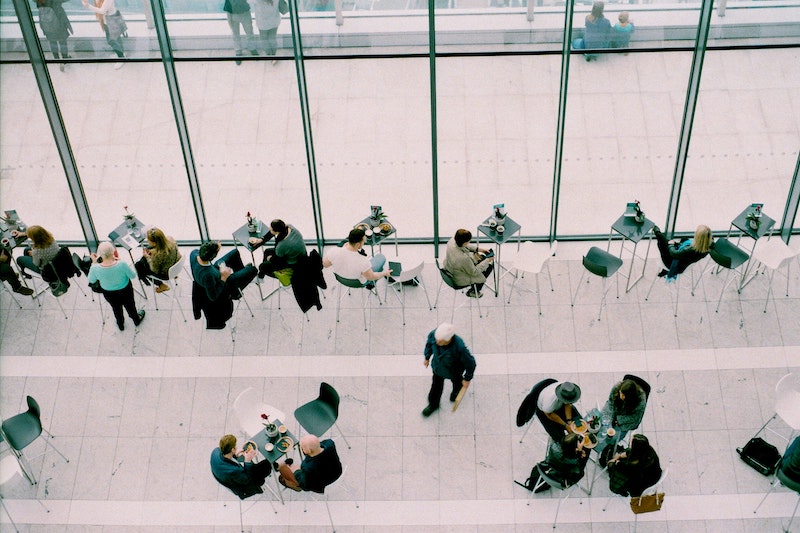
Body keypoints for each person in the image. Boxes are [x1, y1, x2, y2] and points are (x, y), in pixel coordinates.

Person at [421, 322, 477, 417]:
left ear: (449, 340)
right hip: (438, 368)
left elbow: (471, 363)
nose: (437, 342)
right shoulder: (435, 335)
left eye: (440, 341)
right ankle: (433, 404)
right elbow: (429, 344)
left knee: (457, 383)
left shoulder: (459, 348)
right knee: (435, 387)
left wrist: (467, 378)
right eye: (436, 339)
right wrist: (427, 357)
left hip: (454, 371)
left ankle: (455, 393)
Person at [88, 241, 145, 331]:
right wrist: (119, 260)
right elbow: (133, 276)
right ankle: (136, 319)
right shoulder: (121, 264)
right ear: (113, 252)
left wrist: (94, 263)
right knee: (130, 306)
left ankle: (120, 324)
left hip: (109, 293)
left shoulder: (95, 268)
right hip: (125, 290)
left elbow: (91, 280)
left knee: (116, 308)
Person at [322, 228, 392, 286]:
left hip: (340, 278)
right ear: (358, 245)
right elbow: (371, 277)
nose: (364, 243)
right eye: (363, 242)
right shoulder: (363, 261)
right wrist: (385, 273)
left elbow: (325, 264)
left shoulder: (334, 251)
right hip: (358, 283)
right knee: (381, 257)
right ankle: (371, 285)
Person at [190, 241, 258, 302]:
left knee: (235, 253)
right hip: (223, 284)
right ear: (211, 257)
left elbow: (208, 252)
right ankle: (235, 292)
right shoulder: (208, 275)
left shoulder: (194, 253)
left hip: (214, 271)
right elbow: (213, 297)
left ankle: (241, 277)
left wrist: (215, 247)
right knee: (253, 270)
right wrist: (223, 277)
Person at [276, 435, 342, 492]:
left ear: (309, 451)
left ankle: (295, 487)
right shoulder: (330, 444)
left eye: (302, 448)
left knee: (289, 472)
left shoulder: (308, 467)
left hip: (322, 484)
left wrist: (296, 471)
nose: (301, 449)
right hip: (337, 472)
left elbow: (306, 486)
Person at [443, 229, 493, 298]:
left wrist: (479, 249)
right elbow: (474, 272)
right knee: (489, 267)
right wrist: (487, 260)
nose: (469, 242)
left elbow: (466, 246)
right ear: (464, 243)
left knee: (481, 260)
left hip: (449, 268)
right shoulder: (463, 258)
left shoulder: (451, 241)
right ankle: (473, 291)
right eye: (468, 241)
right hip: (458, 278)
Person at [81, 0, 127, 68]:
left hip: (112, 21)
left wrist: (88, 5)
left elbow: (102, 10)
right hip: (108, 20)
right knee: (116, 38)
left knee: (111, 41)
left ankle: (121, 57)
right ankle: (121, 54)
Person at [134, 227, 180, 293]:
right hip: (175, 264)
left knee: (139, 266)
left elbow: (155, 270)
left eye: (148, 240)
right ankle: (175, 275)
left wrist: (148, 257)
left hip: (166, 274)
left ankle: (161, 285)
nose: (147, 241)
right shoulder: (171, 240)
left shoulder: (157, 256)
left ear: (154, 243)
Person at [36, 0, 73, 71]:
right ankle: (65, 59)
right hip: (58, 21)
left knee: (52, 42)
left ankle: (57, 60)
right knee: (62, 41)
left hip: (46, 22)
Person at [224, 0, 259, 65]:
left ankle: (251, 48)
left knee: (249, 32)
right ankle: (238, 51)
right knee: (235, 34)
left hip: (244, 12)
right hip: (233, 13)